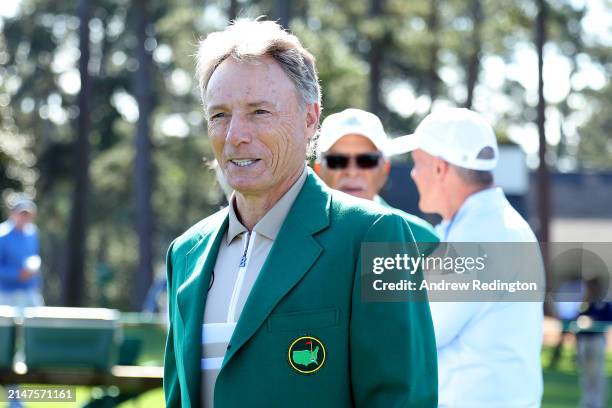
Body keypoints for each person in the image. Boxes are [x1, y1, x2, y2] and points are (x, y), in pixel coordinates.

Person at [163, 19, 437, 408]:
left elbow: (401, 399)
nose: (235, 134)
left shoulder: (374, 236)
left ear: (311, 119)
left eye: (259, 111)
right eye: (219, 115)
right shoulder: (185, 253)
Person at [393, 108, 543, 408]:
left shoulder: (476, 238)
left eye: (417, 163)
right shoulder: (499, 226)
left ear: (440, 169)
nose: (412, 174)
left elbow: (417, 334)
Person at [313, 108, 439, 249]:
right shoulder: (291, 235)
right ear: (318, 170)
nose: (352, 172)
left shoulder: (424, 240)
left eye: (366, 160)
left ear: (385, 169)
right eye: (337, 161)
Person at [0, 196, 43, 309]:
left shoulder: (33, 232)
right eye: (22, 214)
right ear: (12, 214)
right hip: (5, 294)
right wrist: (17, 274)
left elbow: (34, 257)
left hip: (29, 292)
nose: (25, 218)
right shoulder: (2, 235)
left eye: (27, 215)